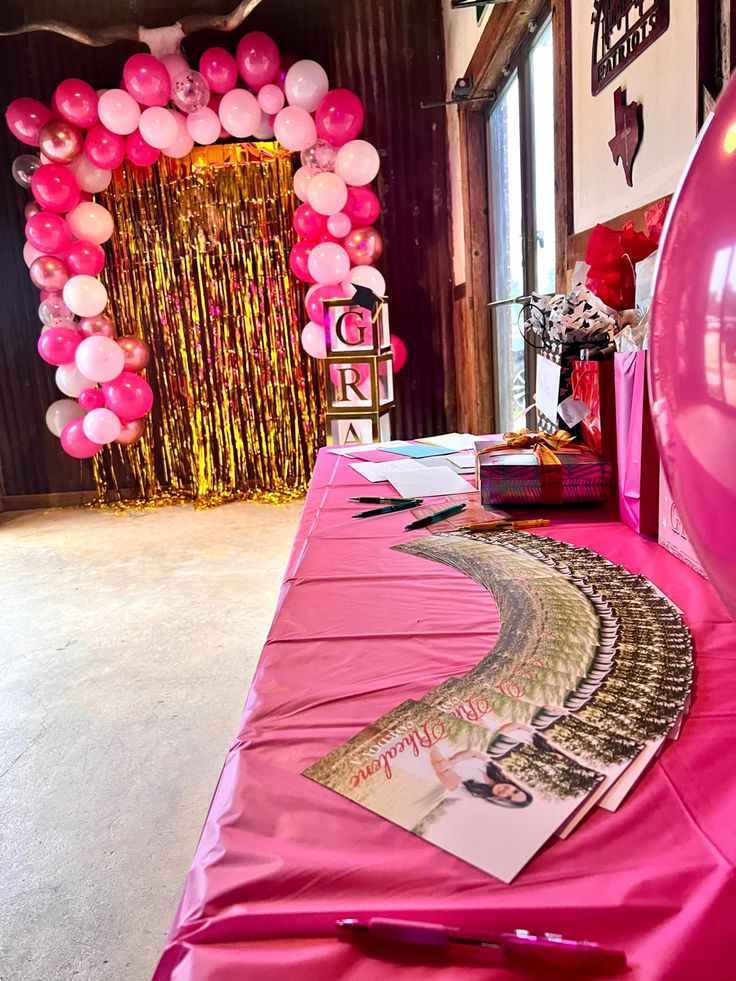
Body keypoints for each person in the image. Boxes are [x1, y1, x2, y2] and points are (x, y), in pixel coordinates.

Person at [429, 745, 532, 808]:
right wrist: (453, 761)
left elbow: (442, 771)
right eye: (515, 791)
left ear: (504, 802)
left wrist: (432, 747)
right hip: (441, 743)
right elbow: (474, 753)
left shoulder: (472, 793)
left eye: (508, 797)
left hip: (428, 753)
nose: (507, 791)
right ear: (516, 786)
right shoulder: (496, 770)